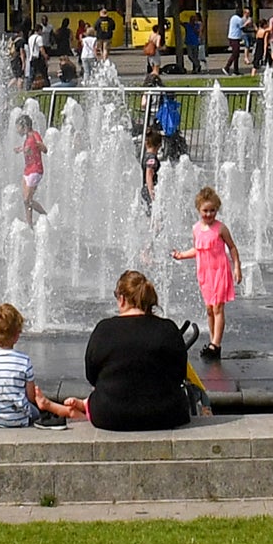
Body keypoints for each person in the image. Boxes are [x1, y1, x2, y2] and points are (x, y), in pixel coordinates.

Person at [84, 269, 195, 430]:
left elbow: (91, 375)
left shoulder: (104, 330)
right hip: (166, 414)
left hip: (110, 415)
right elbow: (179, 375)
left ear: (122, 299)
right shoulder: (168, 329)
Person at [172, 184, 239, 361]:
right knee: (209, 310)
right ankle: (212, 341)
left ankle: (215, 344)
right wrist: (181, 255)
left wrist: (237, 267)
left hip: (220, 271)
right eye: (205, 210)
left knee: (218, 307)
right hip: (205, 273)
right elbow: (198, 249)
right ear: (198, 209)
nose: (209, 214)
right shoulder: (195, 229)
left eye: (213, 211)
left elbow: (232, 247)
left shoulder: (221, 228)